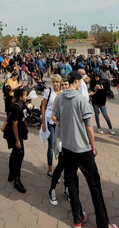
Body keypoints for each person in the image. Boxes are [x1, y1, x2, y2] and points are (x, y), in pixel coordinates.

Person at [53, 71, 117, 228]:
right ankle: (102, 223)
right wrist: (93, 146)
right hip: (83, 148)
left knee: (71, 181)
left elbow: (56, 118)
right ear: (76, 81)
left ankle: (77, 219)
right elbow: (89, 127)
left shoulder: (60, 98)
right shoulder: (82, 100)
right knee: (94, 184)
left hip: (67, 147)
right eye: (81, 81)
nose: (82, 83)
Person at [49, 77, 71, 205]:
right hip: (62, 135)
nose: (63, 86)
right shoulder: (58, 98)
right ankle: (52, 189)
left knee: (70, 166)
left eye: (65, 84)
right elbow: (52, 115)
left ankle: (67, 187)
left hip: (71, 137)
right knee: (62, 164)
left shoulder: (73, 98)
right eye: (62, 84)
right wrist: (58, 121)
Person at [6, 87, 29, 193]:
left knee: (15, 154)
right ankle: (17, 180)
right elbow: (14, 124)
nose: (26, 97)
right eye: (25, 95)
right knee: (19, 155)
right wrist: (17, 140)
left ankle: (11, 174)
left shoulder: (21, 105)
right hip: (16, 135)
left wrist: (26, 126)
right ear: (20, 97)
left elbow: (23, 117)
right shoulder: (16, 107)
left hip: (19, 133)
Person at [41, 75, 62, 178]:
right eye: (53, 82)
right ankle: (50, 169)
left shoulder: (64, 92)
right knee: (51, 145)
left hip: (60, 122)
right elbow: (43, 106)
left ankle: (61, 168)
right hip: (50, 120)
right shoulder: (48, 91)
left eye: (57, 82)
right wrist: (43, 123)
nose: (55, 84)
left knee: (61, 145)